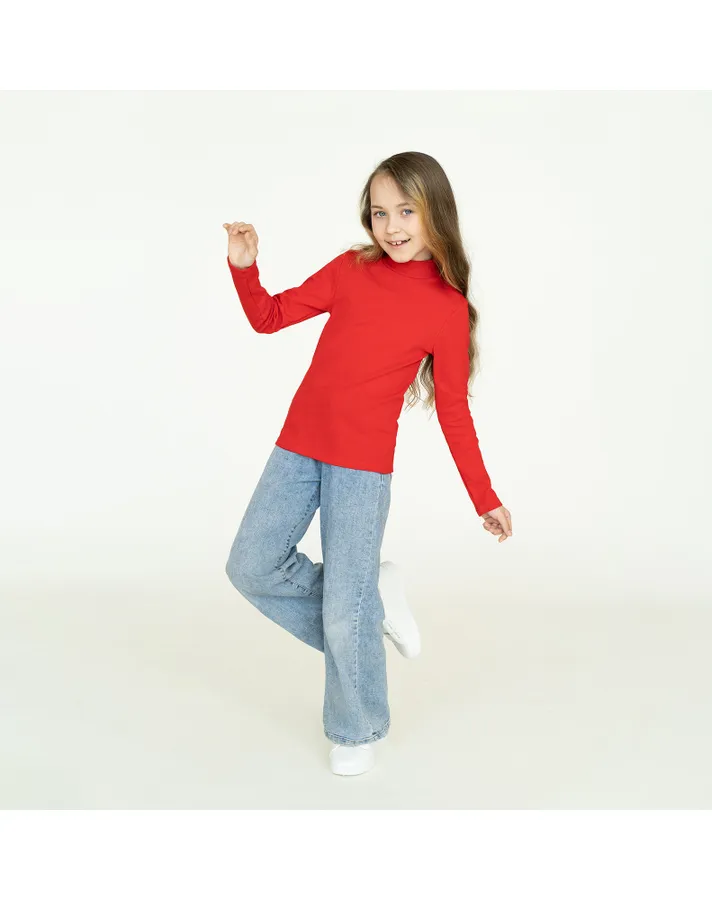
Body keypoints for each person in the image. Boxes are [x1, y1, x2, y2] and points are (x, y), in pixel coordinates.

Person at [222, 151, 513, 777]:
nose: (391, 226)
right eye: (379, 213)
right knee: (250, 565)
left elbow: (454, 412)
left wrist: (484, 496)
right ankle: (366, 603)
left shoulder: (446, 307)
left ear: (435, 213)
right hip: (297, 447)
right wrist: (245, 269)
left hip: (361, 470)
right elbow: (270, 317)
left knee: (344, 608)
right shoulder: (351, 269)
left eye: (406, 211)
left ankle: (357, 726)